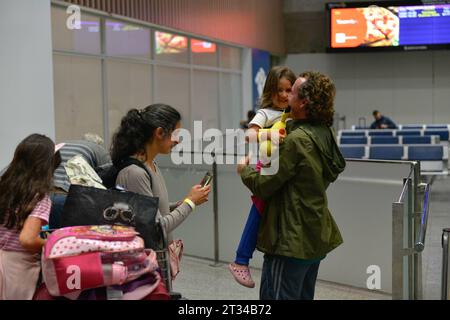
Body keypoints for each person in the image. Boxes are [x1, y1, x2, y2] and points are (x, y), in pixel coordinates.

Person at [237, 71, 346, 300]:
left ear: (303, 102)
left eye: (293, 92)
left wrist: (244, 170)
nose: (288, 97)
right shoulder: (325, 133)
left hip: (290, 240)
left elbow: (264, 185)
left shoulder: (297, 141)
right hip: (314, 235)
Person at [228, 66, 296, 288]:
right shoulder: (266, 113)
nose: (284, 95)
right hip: (266, 168)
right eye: (279, 90)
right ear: (270, 91)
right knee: (257, 214)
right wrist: (271, 133)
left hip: (281, 170)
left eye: (289, 90)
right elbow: (249, 135)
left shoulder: (293, 113)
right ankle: (241, 260)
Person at [110, 104, 211, 240]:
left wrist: (184, 202)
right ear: (159, 133)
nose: (177, 140)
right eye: (175, 134)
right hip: (147, 259)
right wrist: (190, 202)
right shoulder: (135, 173)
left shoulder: (150, 165)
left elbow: (154, 210)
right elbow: (156, 227)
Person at [0, 134, 61, 299]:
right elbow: (27, 239)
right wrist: (53, 242)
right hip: (19, 268)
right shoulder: (39, 198)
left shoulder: (4, 188)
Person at [49, 133, 111, 229]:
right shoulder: (99, 149)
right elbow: (110, 173)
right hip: (68, 196)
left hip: (46, 195)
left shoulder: (64, 143)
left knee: (52, 234)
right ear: (98, 144)